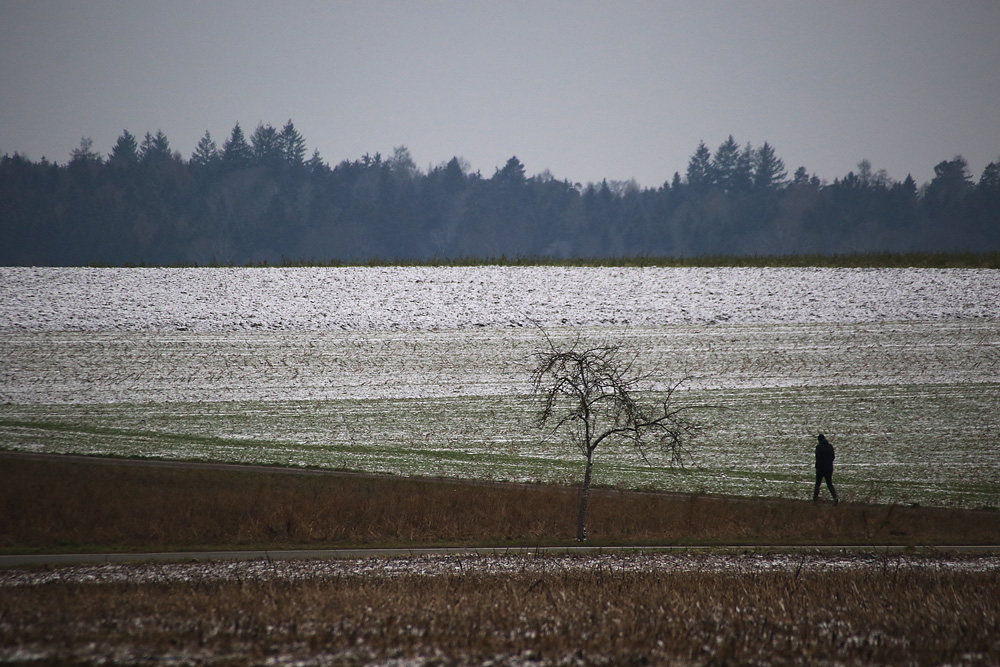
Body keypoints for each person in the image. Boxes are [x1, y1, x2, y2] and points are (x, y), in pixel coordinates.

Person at [814, 433, 839, 505]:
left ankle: (815, 500)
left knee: (818, 484)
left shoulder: (818, 447)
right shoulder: (830, 446)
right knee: (829, 484)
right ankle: (835, 498)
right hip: (829, 468)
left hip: (821, 469)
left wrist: (817, 467)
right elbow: (833, 458)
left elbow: (818, 459)